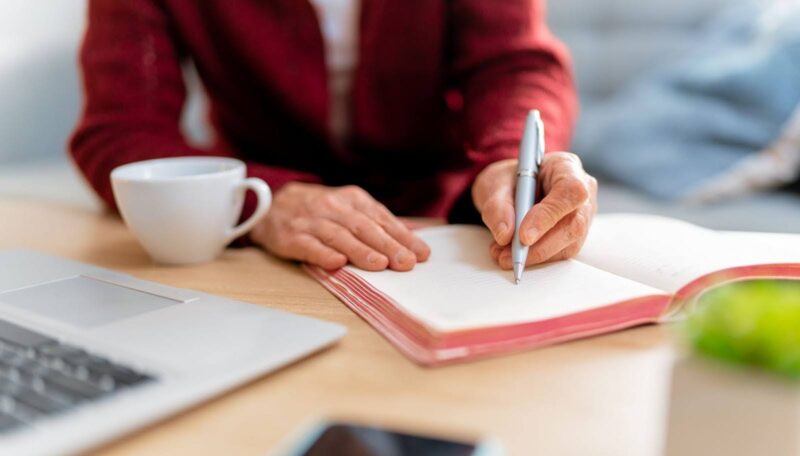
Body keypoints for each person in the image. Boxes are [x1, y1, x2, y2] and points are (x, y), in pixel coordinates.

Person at [70, 0, 598, 272]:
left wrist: (507, 161)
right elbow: (120, 130)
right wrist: (260, 200)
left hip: (445, 226)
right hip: (257, 242)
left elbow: (516, 65)